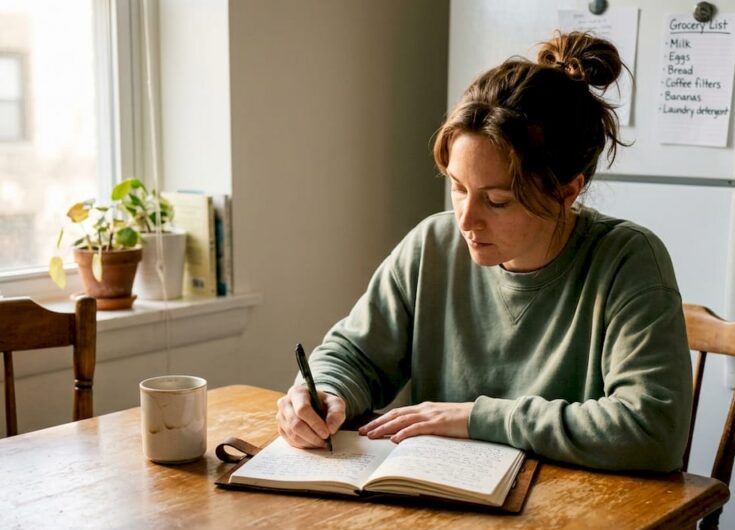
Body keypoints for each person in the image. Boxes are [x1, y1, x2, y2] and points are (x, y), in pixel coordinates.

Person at [276, 31, 693, 472]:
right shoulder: (431, 246)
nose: (466, 220)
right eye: (458, 188)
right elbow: (355, 355)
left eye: (497, 201)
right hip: (443, 500)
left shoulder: (629, 260)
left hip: (572, 521)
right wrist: (323, 391)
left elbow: (652, 430)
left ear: (568, 191)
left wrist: (476, 418)